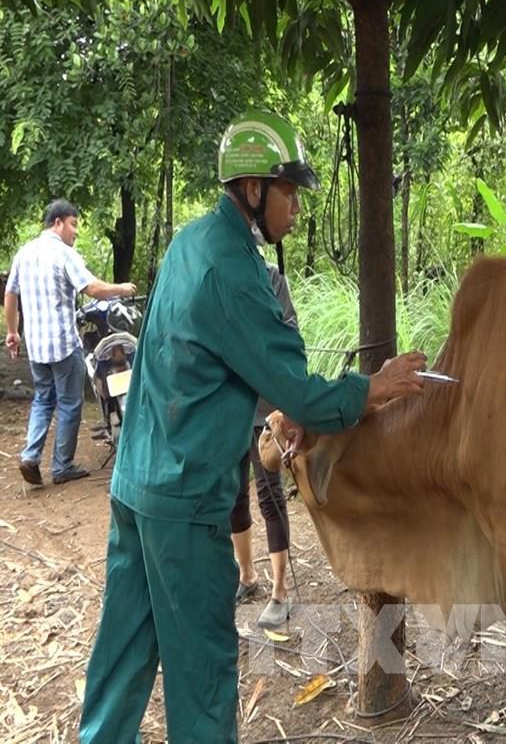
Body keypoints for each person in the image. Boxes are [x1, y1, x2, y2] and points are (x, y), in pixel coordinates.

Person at [78, 109, 426, 744]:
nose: (296, 207)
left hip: (137, 484)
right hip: (184, 500)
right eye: (288, 191)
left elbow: (196, 357)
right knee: (205, 672)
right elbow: (297, 387)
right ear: (252, 189)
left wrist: (279, 402)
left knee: (124, 651)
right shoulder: (235, 270)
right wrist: (374, 387)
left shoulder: (191, 243)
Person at [3, 199, 136, 486]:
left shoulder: (24, 253)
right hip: (62, 344)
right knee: (69, 402)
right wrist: (122, 288)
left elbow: (10, 295)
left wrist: (13, 332)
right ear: (58, 222)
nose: (76, 232)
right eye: (74, 224)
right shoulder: (63, 254)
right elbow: (92, 288)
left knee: (42, 398)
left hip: (36, 347)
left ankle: (30, 456)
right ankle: (62, 466)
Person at [232, 262, 296, 630]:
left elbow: (289, 335)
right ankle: (246, 577)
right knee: (234, 494)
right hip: (230, 407)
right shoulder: (220, 276)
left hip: (265, 408)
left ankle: (280, 591)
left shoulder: (272, 279)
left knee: (269, 494)